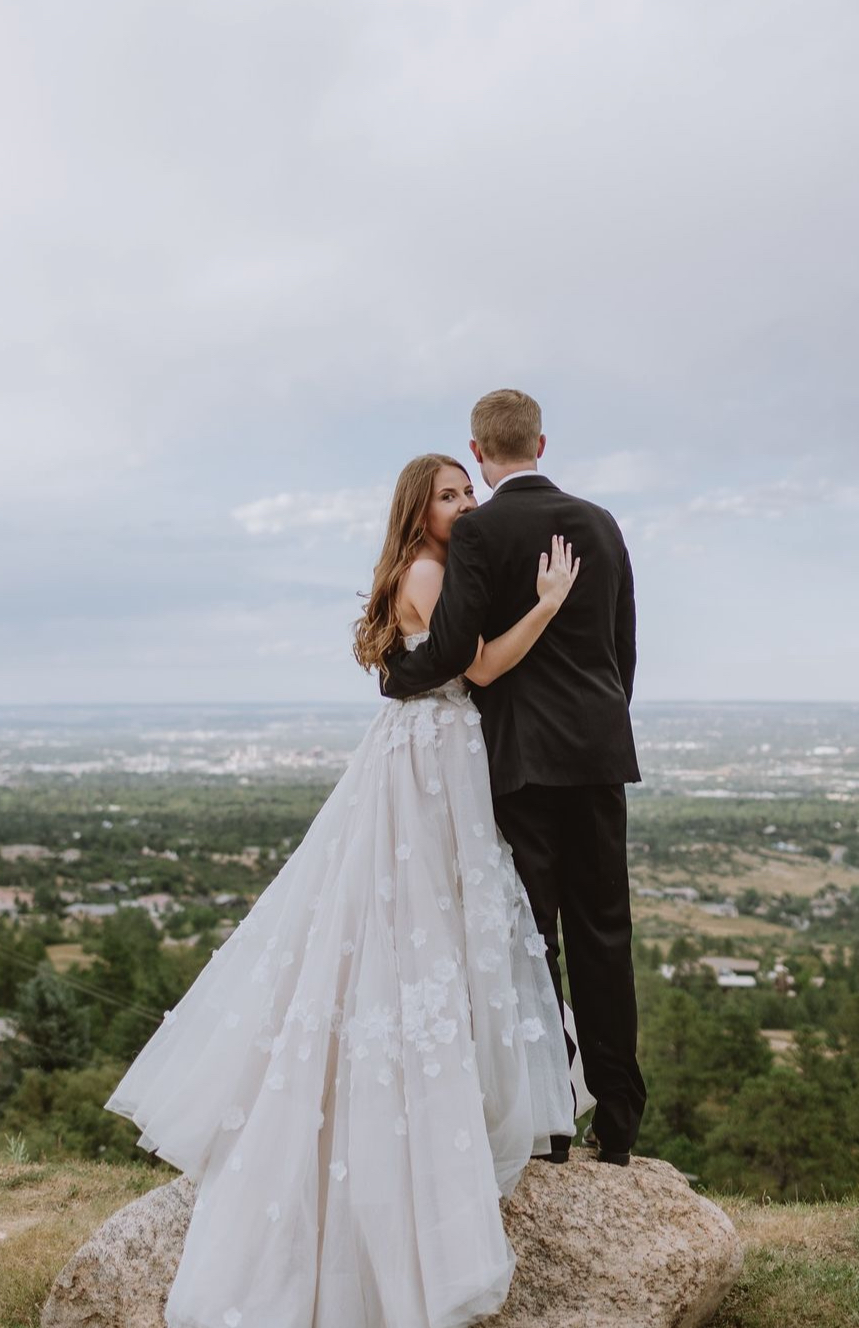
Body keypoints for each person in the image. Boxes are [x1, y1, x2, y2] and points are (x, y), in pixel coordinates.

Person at [105, 452, 579, 1328]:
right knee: (427, 928)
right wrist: (548, 606)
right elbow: (477, 671)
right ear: (418, 509)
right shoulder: (431, 573)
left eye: (468, 489)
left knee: (419, 925)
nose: (465, 502)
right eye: (448, 494)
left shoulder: (421, 567)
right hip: (433, 762)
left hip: (424, 754)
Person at [381, 390, 646, 1167]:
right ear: (540, 442)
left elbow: (458, 645)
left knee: (537, 940)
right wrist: (600, 722)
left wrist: (396, 674)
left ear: (480, 448)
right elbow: (621, 649)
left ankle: (554, 1122)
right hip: (598, 754)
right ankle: (621, 1122)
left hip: (521, 761)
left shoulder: (480, 531)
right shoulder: (600, 524)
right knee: (606, 933)